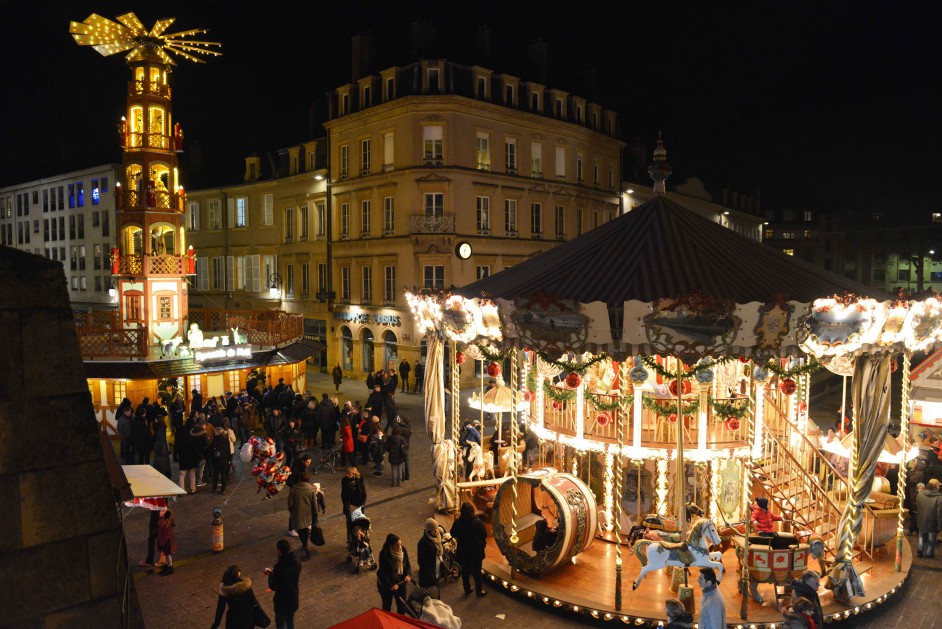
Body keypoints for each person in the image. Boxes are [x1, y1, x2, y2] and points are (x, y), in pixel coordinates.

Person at [450, 501, 487, 597]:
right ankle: (479, 591)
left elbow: (452, 533)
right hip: (476, 551)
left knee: (465, 571)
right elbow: (484, 534)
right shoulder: (477, 522)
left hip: (463, 550)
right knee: (477, 572)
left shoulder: (458, 522)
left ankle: (467, 588)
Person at [266, 539, 301, 629]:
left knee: (281, 623)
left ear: (279, 551)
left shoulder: (278, 568)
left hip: (282, 601)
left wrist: (270, 575)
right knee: (290, 621)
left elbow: (272, 585)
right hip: (293, 596)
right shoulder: (297, 562)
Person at [211, 565, 260, 629]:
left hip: (233, 619)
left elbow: (220, 608)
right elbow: (253, 602)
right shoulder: (245, 586)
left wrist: (216, 623)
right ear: (237, 574)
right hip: (246, 617)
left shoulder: (224, 590)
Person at [376, 533, 413, 613]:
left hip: (400, 581)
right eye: (397, 545)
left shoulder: (403, 550)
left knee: (402, 605)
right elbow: (383, 573)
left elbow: (408, 565)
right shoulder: (384, 554)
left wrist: (408, 574)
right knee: (387, 606)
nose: (400, 547)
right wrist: (391, 585)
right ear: (391, 545)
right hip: (386, 584)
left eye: (400, 544)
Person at [287, 472, 320, 560]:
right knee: (305, 528)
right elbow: (314, 503)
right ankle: (305, 544)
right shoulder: (311, 489)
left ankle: (306, 547)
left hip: (297, 513)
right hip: (308, 513)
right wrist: (315, 513)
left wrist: (291, 510)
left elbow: (290, 502)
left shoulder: (295, 489)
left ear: (300, 479)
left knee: (301, 530)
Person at [285, 455, 313, 537]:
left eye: (310, 463)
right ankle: (291, 529)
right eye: (307, 462)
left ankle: (306, 524)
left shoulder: (304, 467)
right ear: (303, 461)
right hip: (296, 492)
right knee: (294, 511)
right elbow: (289, 481)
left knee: (305, 508)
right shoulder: (295, 469)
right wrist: (297, 487)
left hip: (303, 491)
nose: (309, 464)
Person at [916, 478, 942, 558]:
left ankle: (920, 549)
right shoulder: (939, 498)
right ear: (935, 486)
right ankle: (929, 553)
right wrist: (940, 525)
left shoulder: (920, 494)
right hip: (933, 522)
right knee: (931, 539)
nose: (939, 487)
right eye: (938, 485)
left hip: (922, 519)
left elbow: (918, 507)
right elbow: (939, 513)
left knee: (921, 536)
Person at [417, 518, 444, 588]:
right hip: (429, 574)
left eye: (436, 529)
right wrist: (431, 576)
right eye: (434, 530)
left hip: (436, 570)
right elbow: (421, 562)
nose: (436, 532)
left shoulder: (437, 537)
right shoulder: (423, 543)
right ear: (429, 531)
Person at [341, 466, 367, 531]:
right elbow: (343, 494)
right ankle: (350, 537)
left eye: (349, 474)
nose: (347, 475)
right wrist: (346, 505)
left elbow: (364, 493)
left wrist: (362, 504)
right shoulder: (345, 480)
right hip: (350, 505)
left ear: (354, 474)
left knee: (360, 522)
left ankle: (361, 535)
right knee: (350, 523)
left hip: (359, 505)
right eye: (347, 473)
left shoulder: (360, 479)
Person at [212, 423, 233, 494]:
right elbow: (228, 450)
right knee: (223, 474)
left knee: (215, 474)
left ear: (218, 432)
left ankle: (214, 488)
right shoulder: (225, 440)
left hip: (216, 460)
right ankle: (223, 489)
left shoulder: (214, 440)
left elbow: (212, 450)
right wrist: (229, 459)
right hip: (224, 460)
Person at [156, 509, 176, 576]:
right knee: (166, 554)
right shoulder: (162, 520)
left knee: (168, 554)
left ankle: (170, 567)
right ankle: (167, 566)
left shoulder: (167, 523)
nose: (160, 512)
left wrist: (162, 542)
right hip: (164, 541)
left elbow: (166, 535)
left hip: (166, 542)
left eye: (162, 511)